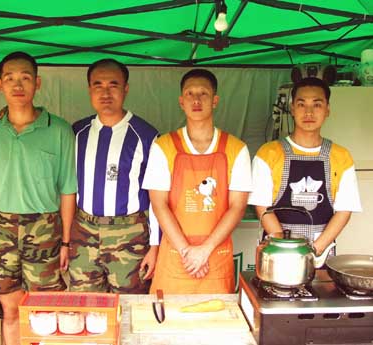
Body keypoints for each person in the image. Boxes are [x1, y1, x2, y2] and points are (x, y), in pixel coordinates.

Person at [0, 52, 77, 345]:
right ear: (0, 84)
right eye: (10, 78)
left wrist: (66, 241)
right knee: (11, 310)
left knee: (45, 312)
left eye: (25, 78)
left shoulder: (58, 130)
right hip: (0, 230)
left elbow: (68, 190)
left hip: (44, 229)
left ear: (38, 83)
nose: (18, 85)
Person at [143, 69, 252, 294]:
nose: (196, 99)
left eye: (203, 93)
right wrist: (187, 251)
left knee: (215, 322)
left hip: (215, 256)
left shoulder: (236, 149)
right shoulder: (163, 147)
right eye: (190, 93)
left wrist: (204, 251)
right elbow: (158, 204)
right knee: (168, 322)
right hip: (175, 256)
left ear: (215, 101)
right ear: (181, 101)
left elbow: (238, 206)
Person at [69, 58, 160, 293]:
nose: (105, 92)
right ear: (89, 89)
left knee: (129, 308)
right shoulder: (77, 133)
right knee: (86, 309)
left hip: (129, 235)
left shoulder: (146, 135)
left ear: (126, 88)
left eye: (113, 85)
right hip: (84, 231)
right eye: (98, 85)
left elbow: (158, 196)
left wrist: (155, 246)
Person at [248, 77, 362, 255]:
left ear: (327, 109)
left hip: (321, 253)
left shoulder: (341, 157)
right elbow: (262, 208)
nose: (309, 112)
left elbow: (344, 210)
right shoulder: (268, 153)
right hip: (277, 252)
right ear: (292, 108)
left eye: (317, 104)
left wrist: (315, 250)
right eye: (301, 104)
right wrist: (288, 250)